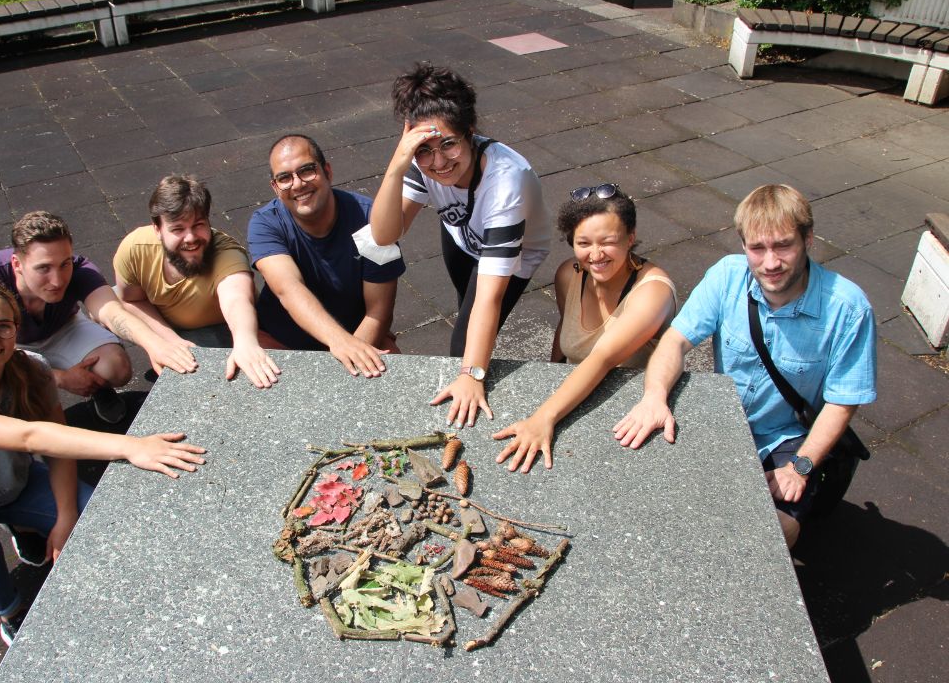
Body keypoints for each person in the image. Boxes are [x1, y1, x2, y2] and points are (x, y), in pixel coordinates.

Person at [0, 279, 207, 646]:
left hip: (13, 486)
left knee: (89, 516)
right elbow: (29, 436)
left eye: (2, 325)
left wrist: (66, 518)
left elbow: (57, 444)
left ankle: (23, 526)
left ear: (15, 330)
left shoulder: (32, 368)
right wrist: (130, 446)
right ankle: (10, 609)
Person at [613, 184, 876, 548]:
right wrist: (654, 398)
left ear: (808, 239)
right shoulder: (727, 276)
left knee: (775, 531)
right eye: (758, 248)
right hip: (723, 419)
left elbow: (842, 401)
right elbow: (675, 341)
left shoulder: (848, 309)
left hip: (787, 436)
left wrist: (800, 467)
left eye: (783, 245)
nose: (770, 263)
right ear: (743, 246)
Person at [371, 62, 550, 427]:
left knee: (462, 347)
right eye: (424, 149)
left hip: (512, 253)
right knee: (467, 311)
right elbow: (384, 234)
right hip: (460, 233)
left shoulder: (506, 181)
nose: (438, 162)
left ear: (469, 132)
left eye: (449, 144)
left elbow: (490, 296)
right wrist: (398, 163)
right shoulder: (420, 163)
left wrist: (472, 375)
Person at [493, 184, 677, 473]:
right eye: (584, 243)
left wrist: (543, 417)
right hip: (576, 399)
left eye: (608, 241)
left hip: (631, 420)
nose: (596, 254)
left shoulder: (652, 291)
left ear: (631, 238)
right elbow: (564, 333)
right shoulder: (569, 274)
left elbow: (602, 357)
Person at [0, 212, 197, 424]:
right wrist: (58, 378)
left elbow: (111, 311)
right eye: (43, 268)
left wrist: (155, 344)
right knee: (7, 399)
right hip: (11, 343)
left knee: (116, 367)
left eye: (64, 264)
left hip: (63, 328)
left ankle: (98, 387)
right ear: (17, 264)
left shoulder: (78, 269)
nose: (57, 281)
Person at [248, 134, 406, 377]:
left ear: (327, 171)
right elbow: (288, 289)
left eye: (307, 170)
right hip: (282, 341)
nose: (298, 184)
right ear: (276, 188)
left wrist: (349, 355)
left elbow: (379, 312)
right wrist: (341, 343)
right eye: (285, 178)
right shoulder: (265, 224)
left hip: (359, 337)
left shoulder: (372, 221)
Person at [114, 175, 281, 388]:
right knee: (106, 306)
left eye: (198, 225)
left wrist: (245, 342)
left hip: (219, 328)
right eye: (178, 229)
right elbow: (131, 300)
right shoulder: (135, 248)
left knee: (248, 359)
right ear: (157, 230)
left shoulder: (227, 254)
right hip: (169, 324)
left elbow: (236, 299)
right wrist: (165, 341)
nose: (191, 237)